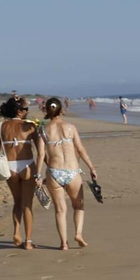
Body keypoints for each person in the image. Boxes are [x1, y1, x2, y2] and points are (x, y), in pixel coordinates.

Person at [39, 97, 98, 249]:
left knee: (60, 210)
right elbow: (80, 149)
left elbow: (40, 155)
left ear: (47, 110)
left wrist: (37, 175)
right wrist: (91, 167)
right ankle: (78, 233)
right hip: (72, 171)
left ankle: (63, 243)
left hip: (54, 172)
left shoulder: (43, 130)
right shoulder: (70, 127)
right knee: (78, 206)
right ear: (61, 110)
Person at [0, 97, 42, 249]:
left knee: (17, 202)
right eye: (26, 109)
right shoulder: (30, 126)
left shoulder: (0, 126)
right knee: (27, 204)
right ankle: (28, 242)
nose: (28, 112)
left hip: (9, 167)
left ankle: (16, 232)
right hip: (27, 165)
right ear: (19, 111)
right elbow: (41, 150)